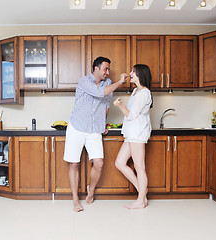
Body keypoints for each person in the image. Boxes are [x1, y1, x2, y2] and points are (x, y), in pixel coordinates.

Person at [64, 56, 126, 212]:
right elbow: (100, 94)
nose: (108, 72)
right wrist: (120, 82)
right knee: (74, 164)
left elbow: (106, 105)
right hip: (76, 127)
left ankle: (90, 190)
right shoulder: (84, 82)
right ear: (96, 69)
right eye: (106, 69)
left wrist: (102, 122)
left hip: (94, 130)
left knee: (99, 163)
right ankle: (75, 200)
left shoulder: (108, 84)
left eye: (109, 69)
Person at [113, 64, 153, 209]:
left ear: (140, 75)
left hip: (137, 133)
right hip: (131, 134)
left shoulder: (144, 94)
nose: (130, 73)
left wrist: (120, 105)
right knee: (119, 163)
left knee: (139, 167)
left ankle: (140, 200)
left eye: (133, 72)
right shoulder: (136, 91)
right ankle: (142, 190)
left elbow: (131, 115)